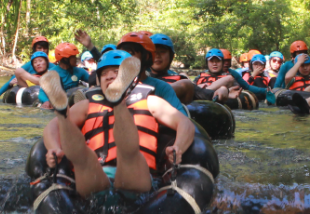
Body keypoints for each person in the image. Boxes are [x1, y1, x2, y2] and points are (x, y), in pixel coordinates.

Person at [40, 50, 195, 199]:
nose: (109, 76)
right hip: (98, 174)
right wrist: (54, 148)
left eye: (116, 72)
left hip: (137, 177)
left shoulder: (150, 102)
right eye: (104, 74)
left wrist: (178, 146)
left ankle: (118, 103)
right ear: (99, 81)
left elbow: (184, 123)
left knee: (129, 154)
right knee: (83, 158)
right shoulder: (87, 105)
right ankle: (62, 114)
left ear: (132, 79)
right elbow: (52, 128)